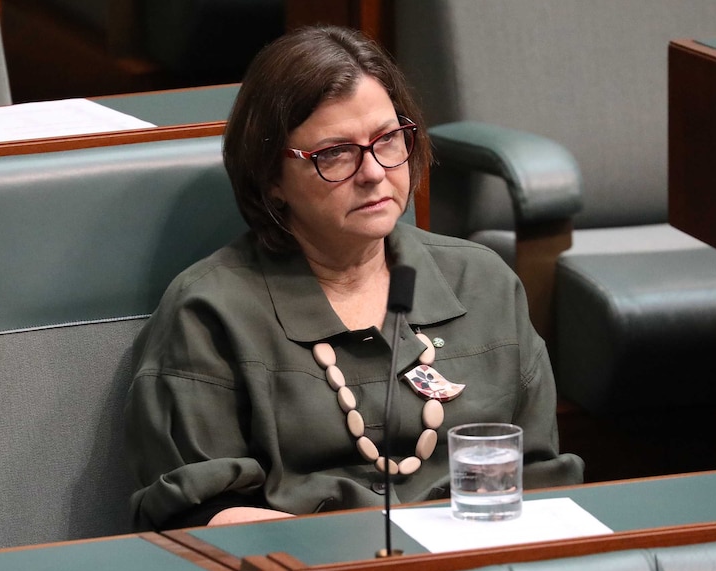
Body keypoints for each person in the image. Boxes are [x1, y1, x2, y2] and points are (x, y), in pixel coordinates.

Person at [124, 25, 584, 531]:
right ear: (270, 178)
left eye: (388, 139)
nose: (373, 172)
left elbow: (540, 479)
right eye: (335, 153)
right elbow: (197, 511)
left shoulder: (484, 283)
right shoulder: (209, 312)